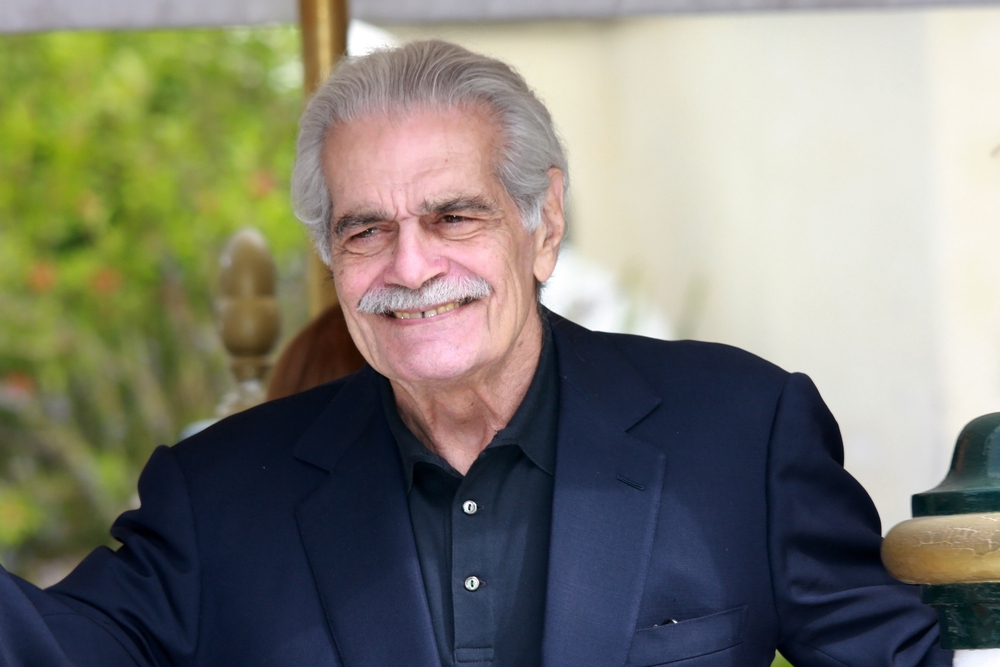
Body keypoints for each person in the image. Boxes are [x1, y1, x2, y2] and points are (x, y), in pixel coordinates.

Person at [0, 40, 951, 667]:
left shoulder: (740, 433)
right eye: (366, 230)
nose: (412, 266)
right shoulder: (218, 498)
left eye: (455, 215)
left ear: (543, 225)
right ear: (330, 256)